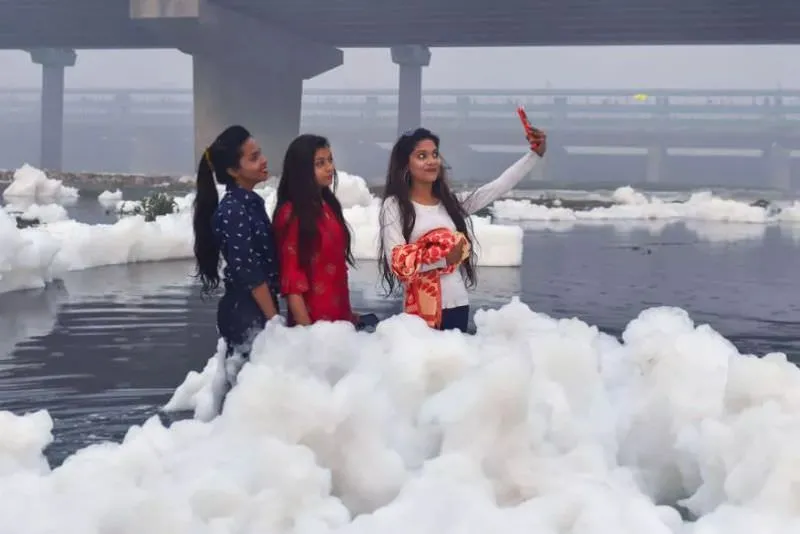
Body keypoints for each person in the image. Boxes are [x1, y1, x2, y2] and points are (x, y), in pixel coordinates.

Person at [378, 125, 547, 332]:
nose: (432, 161)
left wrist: (534, 155)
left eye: (434, 154)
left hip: (458, 305)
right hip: (422, 311)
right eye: (422, 156)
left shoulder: (449, 204)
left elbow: (497, 187)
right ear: (406, 164)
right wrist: (443, 259)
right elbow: (398, 263)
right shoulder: (395, 206)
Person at [192, 125, 280, 388]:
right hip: (246, 311)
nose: (263, 160)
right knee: (248, 391)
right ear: (233, 171)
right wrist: (274, 320)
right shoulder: (233, 211)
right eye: (253, 158)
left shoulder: (249, 203)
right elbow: (250, 272)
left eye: (260, 153)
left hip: (253, 307)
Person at [273, 134, 357, 326]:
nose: (330, 168)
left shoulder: (328, 205)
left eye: (330, 160)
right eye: (320, 163)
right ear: (301, 170)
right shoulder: (292, 214)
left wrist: (349, 315)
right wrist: (308, 336)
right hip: (313, 326)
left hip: (340, 321)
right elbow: (292, 283)